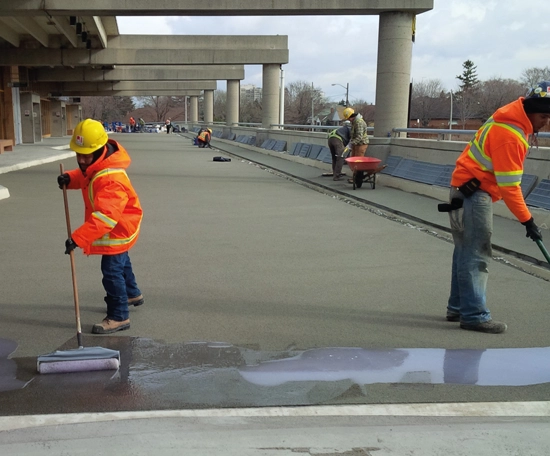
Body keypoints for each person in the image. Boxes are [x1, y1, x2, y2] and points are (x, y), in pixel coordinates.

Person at [442, 81, 550, 334]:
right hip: (474, 196)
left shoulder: (506, 119)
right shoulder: (510, 135)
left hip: (462, 191)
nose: (546, 122)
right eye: (544, 115)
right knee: (477, 254)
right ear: (531, 110)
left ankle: (458, 307)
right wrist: (528, 222)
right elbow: (511, 187)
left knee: (464, 252)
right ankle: (474, 315)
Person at [57, 119, 144, 335]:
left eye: (87, 155)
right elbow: (87, 177)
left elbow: (105, 218)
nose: (82, 161)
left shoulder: (111, 179)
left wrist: (78, 238)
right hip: (123, 225)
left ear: (100, 150)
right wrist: (70, 177)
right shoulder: (101, 165)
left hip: (117, 229)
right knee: (122, 263)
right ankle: (133, 294)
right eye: (79, 155)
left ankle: (119, 316)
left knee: (111, 271)